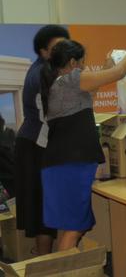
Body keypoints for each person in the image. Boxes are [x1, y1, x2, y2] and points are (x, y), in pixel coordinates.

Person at [40, 40, 126, 250]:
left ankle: (66, 269)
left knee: (69, 226)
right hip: (71, 165)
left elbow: (93, 89)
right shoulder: (71, 80)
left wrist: (106, 65)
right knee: (75, 227)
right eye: (83, 63)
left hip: (60, 164)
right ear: (72, 62)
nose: (85, 67)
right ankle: (66, 272)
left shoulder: (58, 85)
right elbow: (118, 74)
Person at [14, 24, 69, 256]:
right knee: (42, 208)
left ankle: (44, 259)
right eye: (57, 47)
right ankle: (45, 263)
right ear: (43, 51)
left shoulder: (48, 69)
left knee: (45, 207)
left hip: (39, 144)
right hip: (36, 147)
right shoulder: (42, 74)